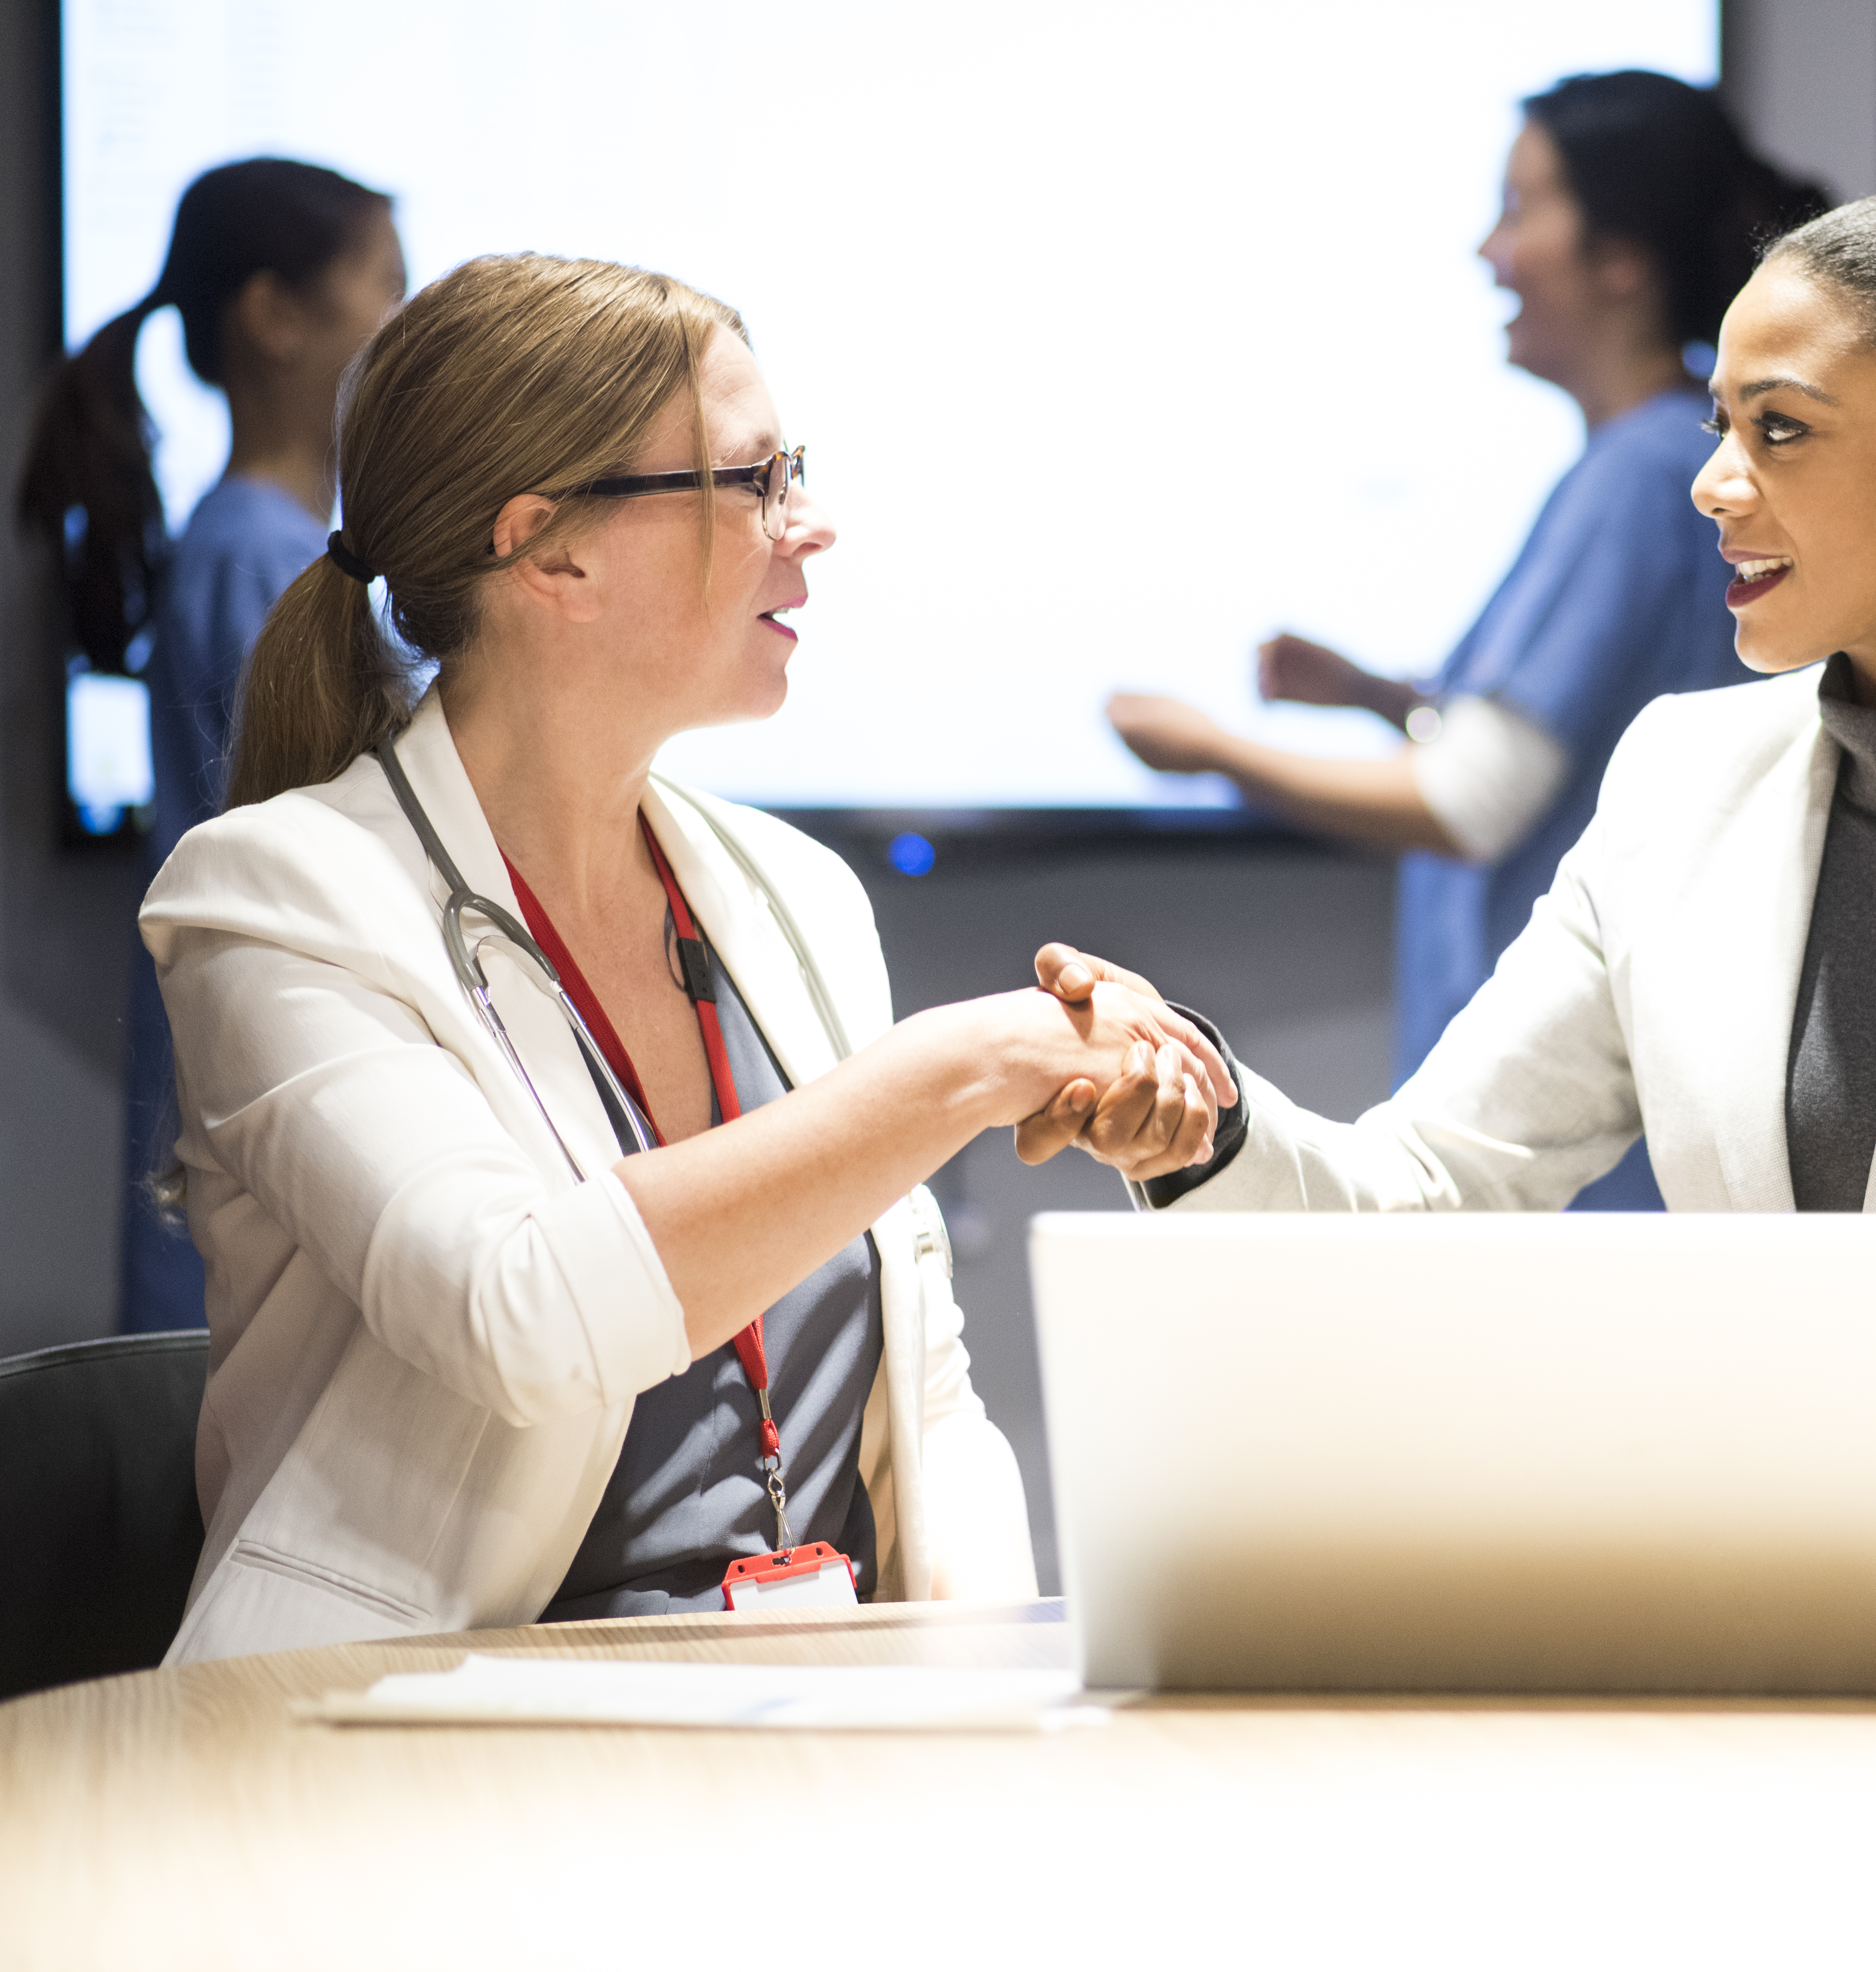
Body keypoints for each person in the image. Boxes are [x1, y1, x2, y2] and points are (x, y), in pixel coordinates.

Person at [1035, 184, 1876, 1599]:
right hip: (1735, 1662)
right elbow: (1433, 1184)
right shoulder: (1680, 775)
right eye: (1720, 423)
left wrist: (1829, 1524)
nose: (1712, 481)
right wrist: (1201, 1124)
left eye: (1781, 428)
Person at [142, 253, 1229, 1661]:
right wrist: (968, 1063)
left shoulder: (795, 889)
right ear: (550, 549)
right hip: (408, 1742)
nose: (815, 525)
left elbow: (932, 1407)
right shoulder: (277, 900)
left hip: (818, 1721)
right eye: (757, 480)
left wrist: (1000, 1700)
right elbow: (518, 1313)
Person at [1102, 71, 1822, 1210]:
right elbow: (1566, 742)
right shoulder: (1643, 462)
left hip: (1577, 1163)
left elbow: (1475, 799)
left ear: (1621, 255)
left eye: (1523, 209)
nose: (1492, 251)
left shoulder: (1640, 478)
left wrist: (1214, 753)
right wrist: (1381, 697)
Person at [14, 157, 403, 1336]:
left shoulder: (269, 549)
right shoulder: (258, 561)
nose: (410, 323)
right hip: (267, 1097)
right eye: (386, 286)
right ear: (276, 317)